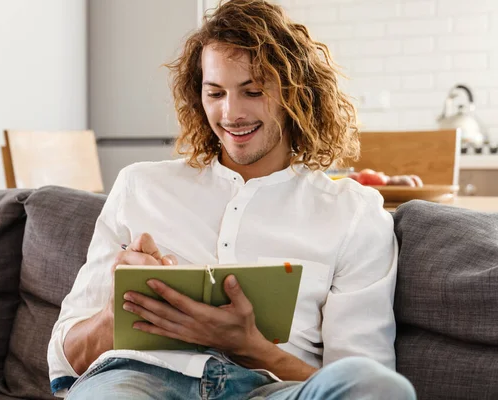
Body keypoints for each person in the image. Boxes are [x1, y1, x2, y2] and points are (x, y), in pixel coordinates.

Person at [48, 1, 416, 399]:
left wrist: (251, 347)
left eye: (252, 91)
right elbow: (66, 361)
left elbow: (357, 373)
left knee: (376, 388)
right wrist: (117, 312)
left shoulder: (353, 212)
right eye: (215, 92)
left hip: (272, 389)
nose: (231, 113)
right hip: (138, 379)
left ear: (297, 94)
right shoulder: (140, 185)